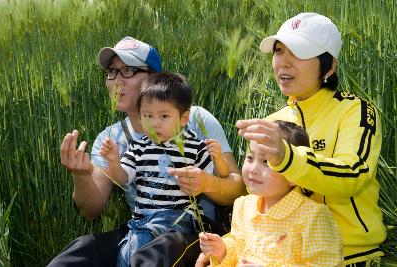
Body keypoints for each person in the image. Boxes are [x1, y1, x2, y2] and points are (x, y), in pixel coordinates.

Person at [49, 36, 245, 267]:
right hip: (140, 228)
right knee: (77, 254)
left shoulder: (195, 119)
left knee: (153, 256)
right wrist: (81, 176)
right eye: (111, 72)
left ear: (154, 79)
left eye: (128, 70)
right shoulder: (110, 139)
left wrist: (207, 184)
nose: (116, 80)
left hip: (191, 232)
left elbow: (237, 189)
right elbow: (90, 210)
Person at [234, 12, 385, 266]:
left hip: (349, 256)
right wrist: (225, 246)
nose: (283, 62)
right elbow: (260, 199)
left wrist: (287, 157)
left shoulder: (355, 110)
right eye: (279, 51)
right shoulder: (273, 121)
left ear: (330, 66)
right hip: (279, 256)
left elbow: (353, 174)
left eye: (299, 53)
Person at [101, 71, 221, 266]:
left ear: (183, 118)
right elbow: (121, 178)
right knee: (125, 254)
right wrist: (113, 161)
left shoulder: (196, 147)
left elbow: (211, 186)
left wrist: (207, 176)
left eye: (164, 116)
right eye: (147, 116)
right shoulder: (139, 147)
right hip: (141, 222)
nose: (154, 123)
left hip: (177, 221)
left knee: (145, 244)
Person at [199, 120, 343, 266]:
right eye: (250, 157)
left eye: (266, 162)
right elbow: (239, 246)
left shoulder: (314, 216)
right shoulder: (243, 206)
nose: (253, 169)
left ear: (292, 174)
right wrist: (222, 250)